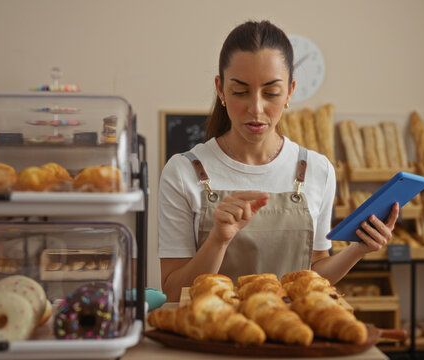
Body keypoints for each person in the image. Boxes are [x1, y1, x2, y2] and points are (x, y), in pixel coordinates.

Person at [158, 20, 399, 301]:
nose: (256, 108)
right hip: (211, 337)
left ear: (290, 92)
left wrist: (358, 249)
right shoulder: (183, 171)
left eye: (271, 92)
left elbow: (314, 274)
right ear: (221, 89)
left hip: (290, 338)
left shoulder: (317, 170)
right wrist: (218, 239)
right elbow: (174, 291)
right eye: (240, 91)